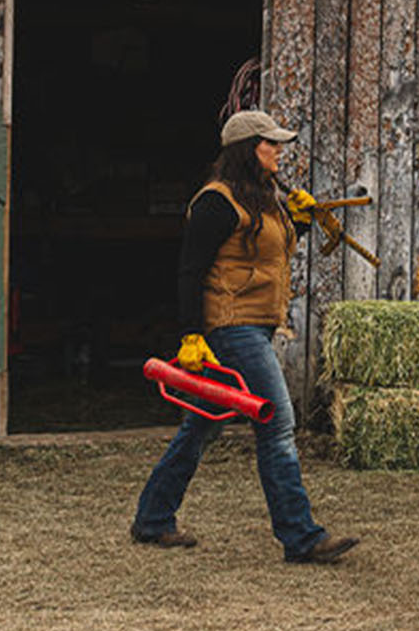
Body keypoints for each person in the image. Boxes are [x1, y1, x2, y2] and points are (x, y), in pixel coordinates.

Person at [132, 110, 357, 564]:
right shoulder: (216, 202)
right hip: (231, 327)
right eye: (270, 144)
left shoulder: (262, 199)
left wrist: (300, 223)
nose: (278, 151)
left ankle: (153, 519)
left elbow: (265, 256)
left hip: (255, 324)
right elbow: (191, 270)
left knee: (203, 424)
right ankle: (301, 537)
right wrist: (191, 335)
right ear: (247, 150)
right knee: (277, 424)